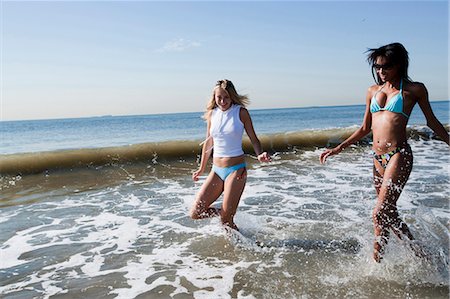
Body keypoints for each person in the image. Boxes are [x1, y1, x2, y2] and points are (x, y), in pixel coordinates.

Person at [319, 43, 449, 262]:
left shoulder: (414, 89)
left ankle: (380, 262)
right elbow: (364, 128)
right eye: (377, 67)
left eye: (386, 66)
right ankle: (416, 256)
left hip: (399, 154)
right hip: (377, 158)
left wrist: (448, 141)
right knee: (388, 214)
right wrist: (338, 148)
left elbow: (432, 121)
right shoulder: (372, 91)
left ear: (398, 65)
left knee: (379, 212)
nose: (381, 71)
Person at [190, 79, 271, 230]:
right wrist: (201, 169)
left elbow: (254, 139)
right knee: (196, 213)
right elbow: (208, 143)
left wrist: (260, 154)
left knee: (226, 221)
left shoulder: (240, 112)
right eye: (219, 97)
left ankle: (243, 247)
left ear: (232, 96)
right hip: (216, 171)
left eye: (226, 97)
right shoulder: (212, 114)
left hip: (236, 170)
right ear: (214, 98)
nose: (222, 101)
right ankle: (227, 215)